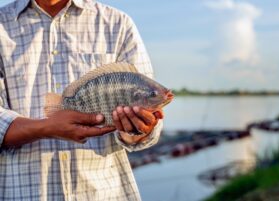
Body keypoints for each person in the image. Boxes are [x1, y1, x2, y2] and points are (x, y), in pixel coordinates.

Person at [0, 0, 164, 200]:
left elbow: (149, 131)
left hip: (104, 193)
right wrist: (46, 127)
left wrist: (138, 130)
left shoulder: (118, 24)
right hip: (22, 193)